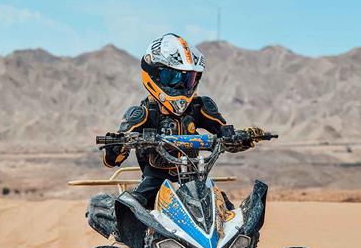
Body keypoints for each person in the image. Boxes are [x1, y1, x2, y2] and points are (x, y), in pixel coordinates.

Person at [102, 33, 255, 208]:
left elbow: (225, 132)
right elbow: (112, 160)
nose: (181, 85)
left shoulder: (200, 106)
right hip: (155, 180)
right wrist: (116, 147)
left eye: (188, 78)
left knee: (225, 208)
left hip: (195, 178)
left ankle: (240, 235)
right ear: (154, 74)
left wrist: (241, 138)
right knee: (130, 208)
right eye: (173, 77)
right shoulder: (141, 113)